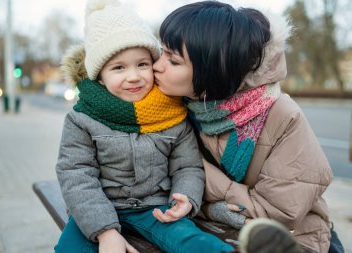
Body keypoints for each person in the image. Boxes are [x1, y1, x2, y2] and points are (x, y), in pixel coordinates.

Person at [153, 1, 341, 253]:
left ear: (213, 70)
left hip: (288, 239)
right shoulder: (172, 106)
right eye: (161, 52)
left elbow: (280, 213)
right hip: (216, 230)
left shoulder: (283, 116)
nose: (157, 65)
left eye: (173, 60)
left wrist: (207, 199)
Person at [54, 0, 237, 252]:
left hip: (155, 207)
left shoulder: (173, 114)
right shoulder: (82, 119)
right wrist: (105, 231)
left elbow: (187, 166)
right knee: (69, 249)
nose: (133, 76)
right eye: (118, 67)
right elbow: (76, 175)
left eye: (142, 64)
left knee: (197, 243)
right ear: (100, 76)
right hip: (96, 208)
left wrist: (185, 197)